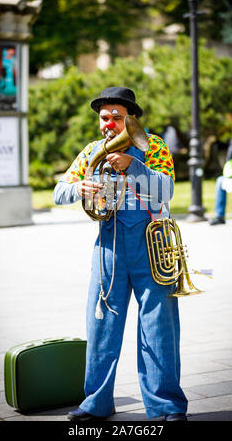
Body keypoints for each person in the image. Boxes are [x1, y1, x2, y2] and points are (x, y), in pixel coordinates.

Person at [53, 87, 188, 422]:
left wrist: (134, 167)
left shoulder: (153, 145)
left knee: (159, 328)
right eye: (104, 117)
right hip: (109, 247)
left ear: (132, 119)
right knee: (101, 325)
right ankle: (95, 403)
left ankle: (166, 408)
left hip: (151, 246)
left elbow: (167, 190)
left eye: (117, 117)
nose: (109, 123)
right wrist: (78, 188)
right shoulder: (92, 151)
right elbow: (58, 192)